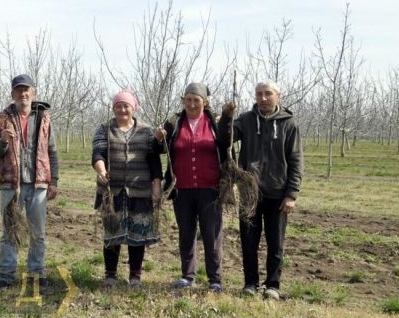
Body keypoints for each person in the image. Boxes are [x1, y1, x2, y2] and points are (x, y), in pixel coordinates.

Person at [219, 79, 303, 300]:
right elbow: (224, 140)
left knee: (276, 243)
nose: (263, 98)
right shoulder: (246, 120)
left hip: (278, 193)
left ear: (278, 96)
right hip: (249, 192)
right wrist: (227, 117)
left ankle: (272, 285)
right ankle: (250, 283)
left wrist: (291, 194)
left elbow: (295, 160)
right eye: (259, 94)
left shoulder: (289, 124)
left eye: (268, 94)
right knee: (249, 241)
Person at [155, 83, 229, 293]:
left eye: (196, 100)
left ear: (205, 102)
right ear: (183, 101)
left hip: (210, 190)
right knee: (186, 234)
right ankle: (188, 276)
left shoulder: (215, 122)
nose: (192, 104)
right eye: (188, 99)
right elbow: (160, 148)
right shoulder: (174, 121)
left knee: (211, 235)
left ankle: (215, 279)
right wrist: (159, 138)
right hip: (182, 190)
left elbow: (227, 144)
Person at [0, 74, 59, 289]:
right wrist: (2, 141)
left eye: (26, 89)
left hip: (38, 184)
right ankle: (6, 276)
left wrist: (54, 180)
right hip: (11, 185)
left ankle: (36, 274)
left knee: (38, 233)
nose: (23, 94)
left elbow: (52, 151)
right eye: (18, 90)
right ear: (12, 94)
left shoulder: (44, 118)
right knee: (9, 232)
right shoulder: (2, 118)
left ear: (33, 92)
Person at [92, 89, 162, 289]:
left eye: (126, 106)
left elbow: (154, 160)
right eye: (118, 106)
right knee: (112, 234)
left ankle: (135, 277)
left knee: (137, 236)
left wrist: (156, 185)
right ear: (113, 108)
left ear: (134, 108)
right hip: (111, 192)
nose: (122, 109)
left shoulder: (146, 131)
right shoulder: (104, 129)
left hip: (139, 191)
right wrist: (101, 170)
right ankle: (110, 275)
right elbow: (97, 153)